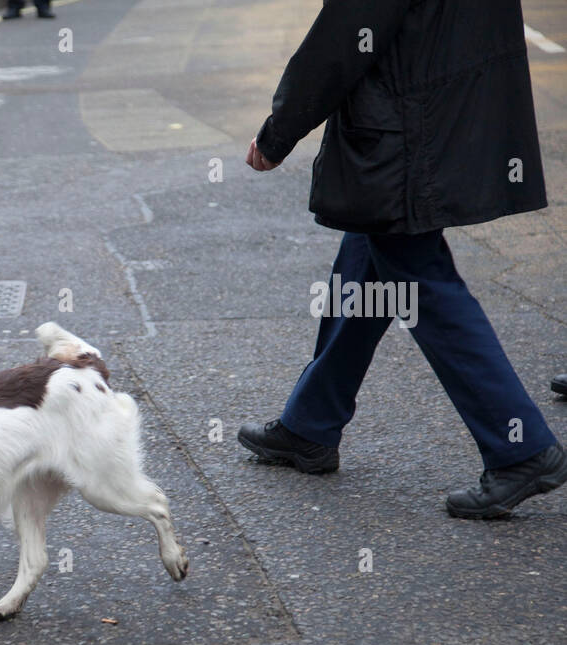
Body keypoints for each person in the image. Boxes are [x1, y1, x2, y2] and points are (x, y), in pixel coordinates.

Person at [239, 0, 565, 520]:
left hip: (408, 118)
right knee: (372, 253)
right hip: (451, 100)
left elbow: (350, 29)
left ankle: (520, 448)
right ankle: (310, 424)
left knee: (420, 278)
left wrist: (281, 130)